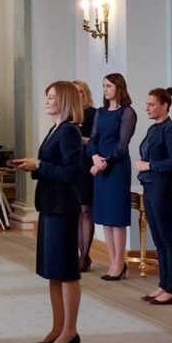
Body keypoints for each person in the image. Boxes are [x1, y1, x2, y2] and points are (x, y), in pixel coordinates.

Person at [12, 81, 83, 343]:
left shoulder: (69, 131)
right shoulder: (56, 129)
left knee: (66, 271)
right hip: (51, 206)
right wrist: (34, 166)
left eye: (51, 97)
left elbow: (72, 172)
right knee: (54, 271)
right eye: (47, 97)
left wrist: (40, 165)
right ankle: (58, 328)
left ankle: (70, 330)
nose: (47, 101)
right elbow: (53, 166)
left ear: (64, 100)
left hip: (63, 208)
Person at [134, 87, 172, 305]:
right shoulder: (154, 129)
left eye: (151, 104)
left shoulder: (171, 130)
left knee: (167, 238)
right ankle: (163, 284)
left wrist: (149, 165)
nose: (147, 108)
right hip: (150, 186)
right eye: (147, 104)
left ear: (164, 106)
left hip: (164, 188)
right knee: (158, 238)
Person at [88, 73, 137, 280]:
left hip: (117, 169)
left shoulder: (127, 112)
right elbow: (93, 139)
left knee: (116, 217)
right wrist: (94, 157)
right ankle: (113, 261)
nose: (105, 89)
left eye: (108, 85)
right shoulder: (100, 112)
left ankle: (119, 262)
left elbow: (122, 144)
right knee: (105, 218)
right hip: (101, 167)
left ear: (119, 87)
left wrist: (105, 162)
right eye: (103, 86)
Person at [73, 79, 97, 272]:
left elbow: (96, 140)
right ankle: (78, 255)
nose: (77, 95)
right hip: (71, 166)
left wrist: (78, 138)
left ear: (85, 94)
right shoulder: (68, 115)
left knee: (86, 210)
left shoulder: (93, 114)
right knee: (75, 212)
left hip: (87, 164)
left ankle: (85, 255)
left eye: (80, 91)